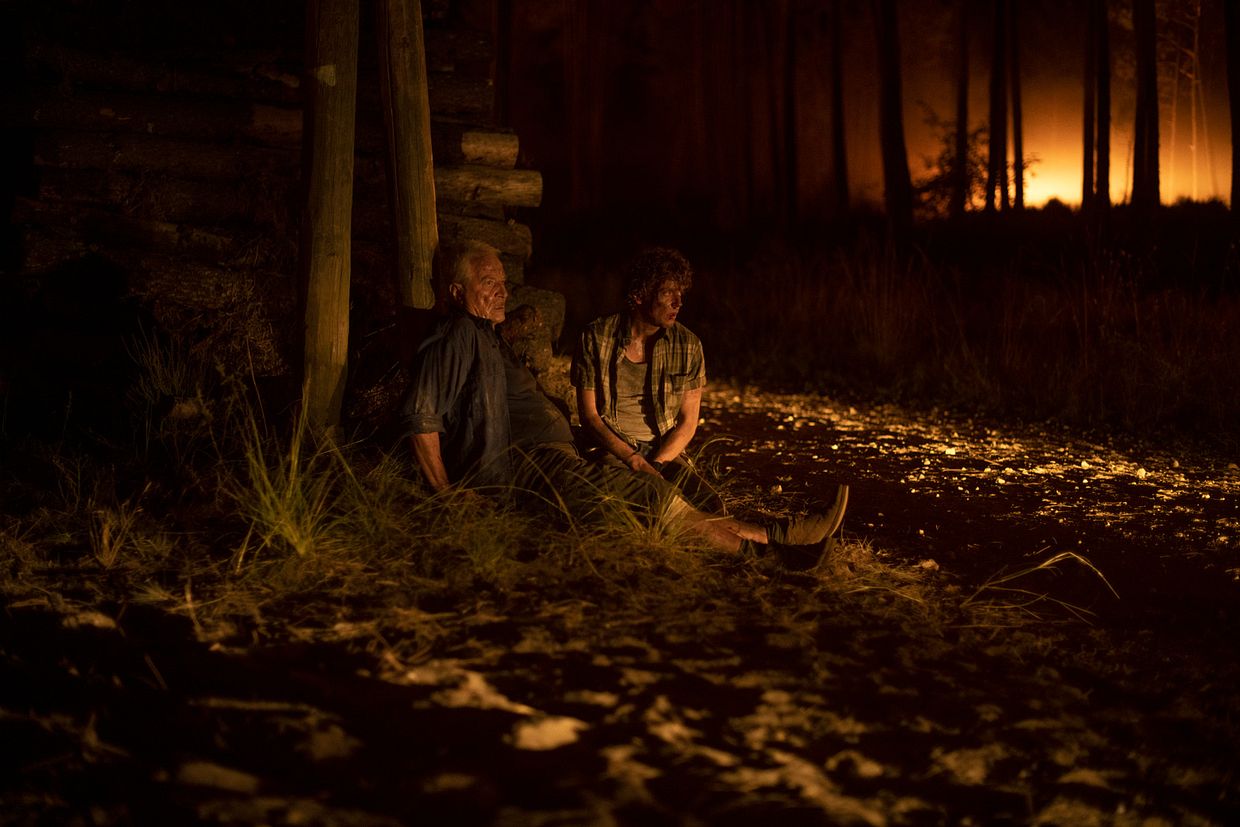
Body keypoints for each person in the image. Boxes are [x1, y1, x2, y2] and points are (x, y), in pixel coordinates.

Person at [401, 240, 845, 570]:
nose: (501, 291)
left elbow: (689, 422)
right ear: (458, 292)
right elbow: (422, 416)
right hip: (538, 469)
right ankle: (777, 561)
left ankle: (783, 539)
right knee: (653, 500)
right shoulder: (459, 334)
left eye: (502, 281)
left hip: (559, 460)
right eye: (488, 283)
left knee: (670, 502)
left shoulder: (485, 337)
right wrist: (446, 496)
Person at [572, 246, 848, 519]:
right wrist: (632, 459)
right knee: (648, 505)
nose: (678, 302)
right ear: (639, 294)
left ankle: (784, 532)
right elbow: (590, 416)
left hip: (661, 452)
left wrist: (656, 464)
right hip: (613, 448)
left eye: (681, 293)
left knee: (711, 508)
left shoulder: (688, 345)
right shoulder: (597, 337)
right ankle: (775, 535)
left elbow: (688, 423)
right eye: (668, 292)